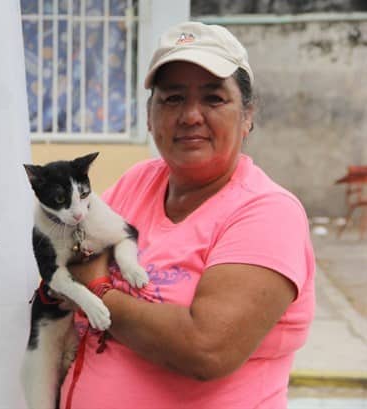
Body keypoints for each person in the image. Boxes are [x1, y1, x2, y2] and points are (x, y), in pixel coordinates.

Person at [58, 21, 316, 409]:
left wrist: (96, 291)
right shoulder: (138, 182)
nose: (191, 116)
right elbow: (65, 249)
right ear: (150, 116)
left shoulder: (266, 214)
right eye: (173, 98)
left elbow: (206, 349)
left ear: (247, 115)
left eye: (214, 99)